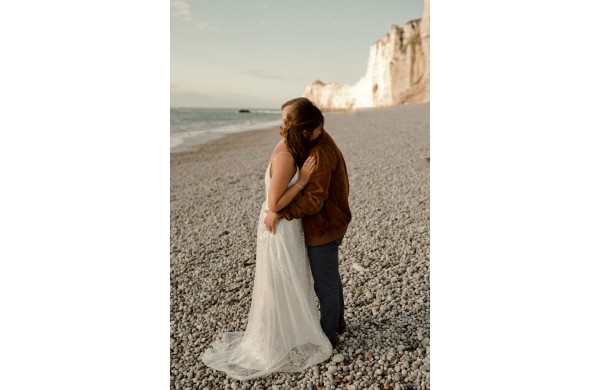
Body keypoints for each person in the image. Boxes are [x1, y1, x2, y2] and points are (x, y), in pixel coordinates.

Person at [200, 98, 333, 381]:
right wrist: (303, 180)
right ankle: (277, 341)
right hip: (279, 226)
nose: (323, 132)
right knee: (283, 280)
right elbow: (274, 205)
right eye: (319, 128)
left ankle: (285, 333)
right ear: (306, 130)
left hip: (283, 225)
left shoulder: (290, 148)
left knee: (286, 279)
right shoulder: (285, 157)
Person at [264, 97, 352, 349]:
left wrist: (281, 213)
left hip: (324, 227)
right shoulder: (313, 140)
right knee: (330, 279)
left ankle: (328, 337)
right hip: (331, 222)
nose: (321, 130)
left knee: (324, 284)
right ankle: (338, 324)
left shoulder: (318, 151)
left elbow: (314, 201)